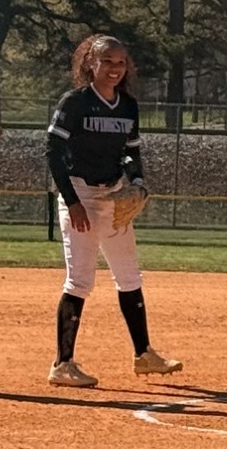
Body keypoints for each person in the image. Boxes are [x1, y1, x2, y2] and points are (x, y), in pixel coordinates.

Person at [44, 34, 183, 387]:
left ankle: (143, 354)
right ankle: (62, 364)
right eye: (108, 62)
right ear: (90, 62)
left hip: (114, 194)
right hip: (81, 193)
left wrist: (136, 183)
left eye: (121, 63)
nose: (115, 69)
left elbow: (131, 153)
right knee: (80, 280)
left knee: (130, 276)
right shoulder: (74, 102)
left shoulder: (127, 106)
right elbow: (53, 153)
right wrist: (72, 202)